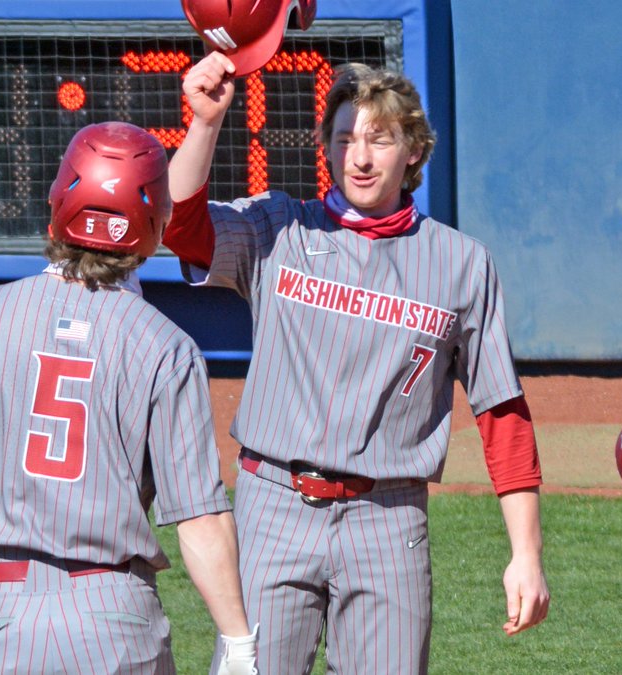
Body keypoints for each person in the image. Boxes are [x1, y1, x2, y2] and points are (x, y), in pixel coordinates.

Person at [162, 53, 550, 674]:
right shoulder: (279, 230)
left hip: (388, 519)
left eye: (379, 139)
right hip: (273, 507)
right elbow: (181, 229)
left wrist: (525, 554)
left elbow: (503, 412)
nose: (360, 157)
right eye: (345, 139)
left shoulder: (461, 263)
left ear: (414, 151)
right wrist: (204, 123)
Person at [0, 121, 258, 675]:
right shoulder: (166, 347)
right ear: (156, 223)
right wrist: (238, 641)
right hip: (114, 621)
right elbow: (198, 517)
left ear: (59, 201)